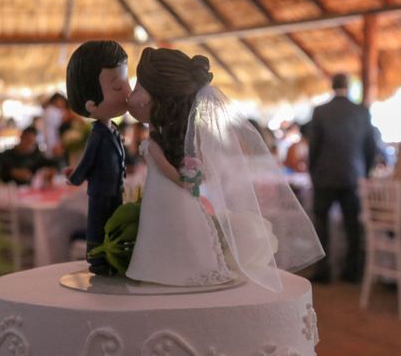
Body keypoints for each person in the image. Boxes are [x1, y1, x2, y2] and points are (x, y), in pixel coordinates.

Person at [125, 47, 323, 289]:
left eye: (136, 89)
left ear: (154, 97)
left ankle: (170, 268)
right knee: (166, 229)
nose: (130, 96)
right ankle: (161, 267)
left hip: (170, 195)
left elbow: (168, 169)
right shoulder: (164, 137)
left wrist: (183, 179)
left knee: (169, 229)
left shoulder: (157, 143)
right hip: (165, 197)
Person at [65, 41, 130, 275]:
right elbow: (87, 160)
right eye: (117, 87)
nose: (128, 92)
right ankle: (97, 256)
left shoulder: (112, 130)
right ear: (91, 104)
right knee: (98, 223)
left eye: (126, 83)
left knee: (113, 222)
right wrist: (76, 178)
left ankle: (113, 254)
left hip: (114, 187)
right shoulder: (98, 135)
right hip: (101, 189)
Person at [308, 73, 376, 283]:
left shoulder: (320, 111)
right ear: (349, 86)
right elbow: (370, 147)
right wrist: (364, 172)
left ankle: (323, 271)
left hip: (325, 175)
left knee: (322, 224)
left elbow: (314, 148)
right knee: (352, 226)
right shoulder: (361, 111)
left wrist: (314, 173)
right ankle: (352, 272)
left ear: (332, 86)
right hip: (352, 176)